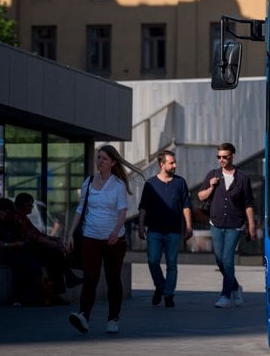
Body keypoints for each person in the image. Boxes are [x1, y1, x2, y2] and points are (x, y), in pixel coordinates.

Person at [67, 144, 130, 335]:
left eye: (104, 158)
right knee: (90, 278)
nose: (100, 161)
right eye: (98, 157)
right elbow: (80, 210)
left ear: (112, 162)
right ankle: (83, 316)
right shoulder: (88, 182)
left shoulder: (118, 185)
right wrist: (70, 233)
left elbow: (122, 212)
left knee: (113, 279)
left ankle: (113, 319)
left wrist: (115, 232)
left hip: (114, 241)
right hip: (90, 237)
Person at [197, 142, 256, 308]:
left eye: (225, 157)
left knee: (228, 260)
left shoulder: (243, 178)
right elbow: (201, 196)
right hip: (216, 223)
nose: (221, 160)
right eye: (219, 157)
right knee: (219, 260)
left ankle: (225, 295)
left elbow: (248, 204)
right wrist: (211, 186)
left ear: (232, 156)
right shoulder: (213, 174)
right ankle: (236, 287)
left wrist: (251, 225)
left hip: (235, 224)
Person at [138, 149, 194, 307]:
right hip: (154, 230)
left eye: (174, 162)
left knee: (172, 264)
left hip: (174, 230)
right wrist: (141, 226)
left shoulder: (180, 182)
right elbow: (143, 207)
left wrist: (189, 226)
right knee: (153, 260)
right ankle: (160, 286)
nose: (175, 165)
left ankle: (169, 295)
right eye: (171, 163)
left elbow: (186, 205)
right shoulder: (150, 184)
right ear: (162, 165)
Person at [0, 197, 43, 306]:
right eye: (8, 213)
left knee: (30, 260)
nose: (8, 216)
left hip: (2, 252)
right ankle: (22, 296)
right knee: (25, 263)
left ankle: (30, 295)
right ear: (1, 210)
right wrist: (11, 245)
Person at [13, 192, 76, 304]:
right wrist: (49, 242)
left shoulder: (24, 218)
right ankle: (67, 279)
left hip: (31, 249)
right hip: (24, 251)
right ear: (24, 205)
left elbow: (37, 233)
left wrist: (54, 239)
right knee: (55, 255)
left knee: (56, 255)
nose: (32, 207)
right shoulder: (17, 218)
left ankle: (66, 279)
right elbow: (30, 236)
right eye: (31, 205)